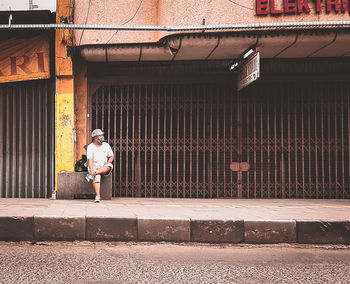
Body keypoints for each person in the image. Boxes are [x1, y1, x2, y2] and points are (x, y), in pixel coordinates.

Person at [85, 129, 114, 203]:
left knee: (109, 166)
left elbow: (111, 156)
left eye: (102, 135)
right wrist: (91, 170)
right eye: (100, 136)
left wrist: (107, 163)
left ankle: (92, 175)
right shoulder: (90, 147)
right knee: (97, 176)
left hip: (104, 166)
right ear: (95, 138)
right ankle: (97, 196)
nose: (102, 137)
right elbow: (90, 159)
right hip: (94, 166)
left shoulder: (106, 145)